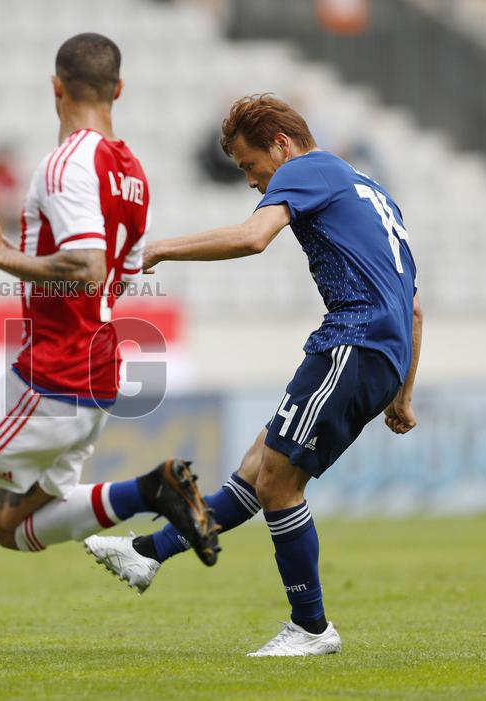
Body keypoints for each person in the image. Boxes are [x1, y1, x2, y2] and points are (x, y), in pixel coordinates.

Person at [0, 33, 220, 691]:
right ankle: (150, 490)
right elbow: (121, 270)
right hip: (98, 375)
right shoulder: (132, 171)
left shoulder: (64, 165)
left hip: (53, 372)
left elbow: (85, 268)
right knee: (6, 525)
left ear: (55, 87)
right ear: (120, 89)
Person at [84, 94, 421, 657]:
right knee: (255, 470)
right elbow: (413, 307)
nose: (250, 181)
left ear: (282, 146)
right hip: (378, 350)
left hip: (354, 341)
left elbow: (251, 238)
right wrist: (402, 394)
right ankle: (148, 552)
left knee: (278, 485)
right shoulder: (370, 190)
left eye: (248, 165)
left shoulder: (309, 168)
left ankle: (311, 627)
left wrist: (160, 249)